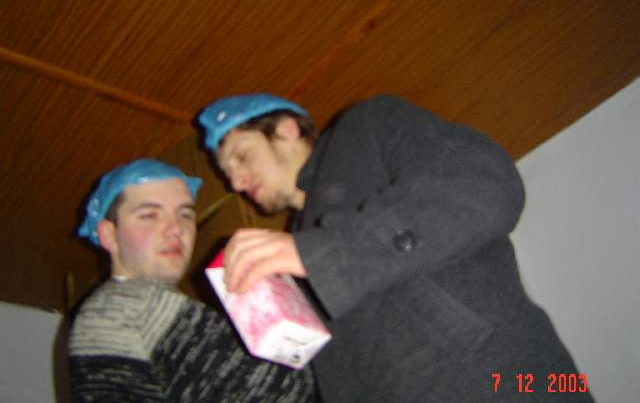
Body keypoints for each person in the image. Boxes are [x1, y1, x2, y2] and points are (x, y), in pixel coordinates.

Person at [197, 94, 596, 403]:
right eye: (227, 174)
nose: (235, 182)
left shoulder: (365, 126)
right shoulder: (294, 253)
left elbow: (485, 182)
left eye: (241, 157)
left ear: (286, 130)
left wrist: (326, 255)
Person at [69, 158, 317, 403]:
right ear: (109, 235)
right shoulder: (122, 306)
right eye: (150, 215)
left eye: (185, 215)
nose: (176, 229)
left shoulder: (132, 308)